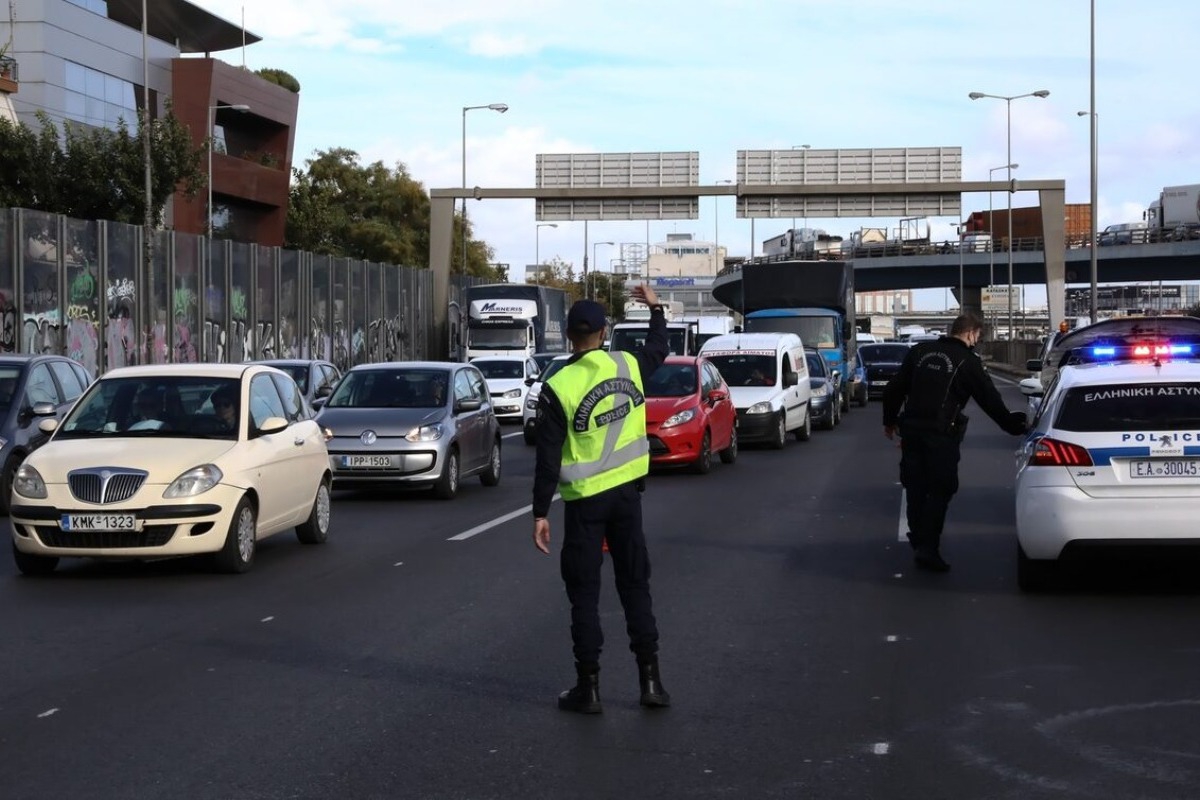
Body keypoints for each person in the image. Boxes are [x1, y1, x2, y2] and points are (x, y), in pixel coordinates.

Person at [532, 284, 670, 714]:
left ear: (569, 336)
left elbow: (548, 457)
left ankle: (587, 688)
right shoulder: (628, 364)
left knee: (584, 594)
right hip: (628, 498)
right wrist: (654, 307)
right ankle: (651, 682)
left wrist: (539, 512)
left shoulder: (558, 385)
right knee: (635, 587)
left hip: (585, 505)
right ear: (604, 332)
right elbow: (659, 346)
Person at [882, 313, 1028, 573]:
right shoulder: (968, 362)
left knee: (915, 485)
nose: (977, 342)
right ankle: (928, 547)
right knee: (941, 488)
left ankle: (918, 536)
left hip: (912, 431)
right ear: (971, 334)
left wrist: (889, 421)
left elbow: (894, 389)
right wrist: (1013, 426)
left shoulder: (920, 352)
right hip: (941, 435)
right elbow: (990, 400)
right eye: (978, 338)